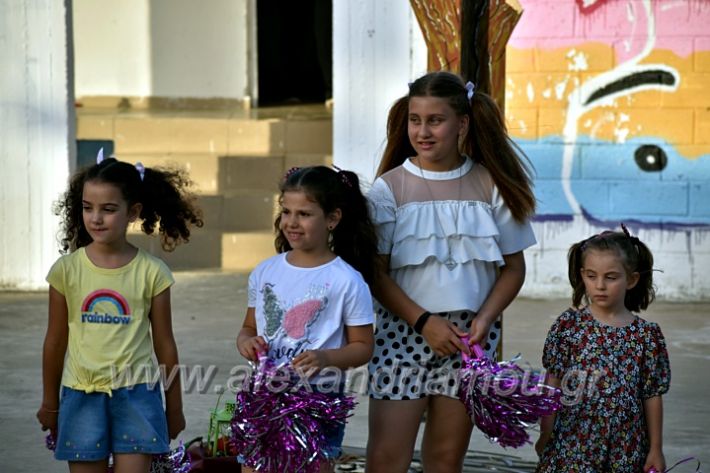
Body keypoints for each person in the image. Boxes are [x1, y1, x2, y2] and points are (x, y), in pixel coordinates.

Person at [366, 71, 537, 472]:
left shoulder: (491, 184)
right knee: (386, 458)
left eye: (435, 120)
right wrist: (424, 322)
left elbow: (513, 268)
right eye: (415, 119)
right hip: (403, 334)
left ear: (462, 123)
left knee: (445, 459)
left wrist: (485, 319)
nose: (423, 131)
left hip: (469, 342)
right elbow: (376, 275)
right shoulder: (388, 189)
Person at [36, 154, 203, 473]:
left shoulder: (152, 272)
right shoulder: (66, 271)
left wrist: (175, 408)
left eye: (108, 209)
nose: (96, 218)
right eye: (88, 207)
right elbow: (55, 342)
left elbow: (165, 344)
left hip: (137, 396)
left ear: (133, 212)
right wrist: (50, 403)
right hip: (81, 395)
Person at [236, 166, 379, 473]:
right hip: (263, 394)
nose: (292, 222)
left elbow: (364, 347)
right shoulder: (265, 271)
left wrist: (326, 356)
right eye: (286, 211)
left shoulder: (347, 280)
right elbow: (248, 327)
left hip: (318, 398)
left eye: (304, 213)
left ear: (332, 219)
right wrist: (247, 342)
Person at [535, 226, 670, 473]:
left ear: (632, 279)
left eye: (611, 277)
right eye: (591, 275)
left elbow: (652, 395)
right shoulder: (569, 326)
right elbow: (552, 381)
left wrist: (656, 449)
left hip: (626, 448)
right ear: (581, 275)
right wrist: (546, 432)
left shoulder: (646, 336)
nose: (599, 285)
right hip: (572, 444)